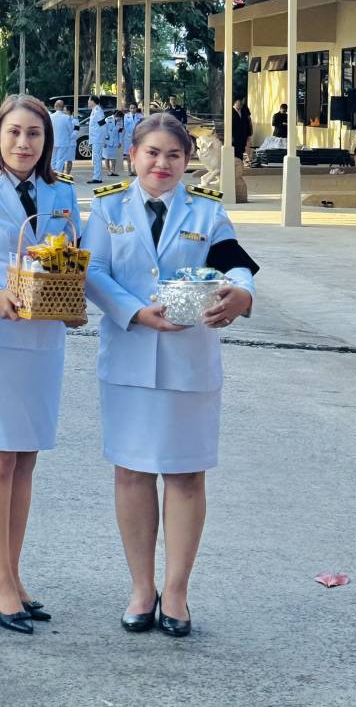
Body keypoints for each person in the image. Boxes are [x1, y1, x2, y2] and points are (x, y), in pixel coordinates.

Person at [81, 112, 258, 638]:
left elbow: (234, 262)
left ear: (187, 161)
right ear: (132, 155)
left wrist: (243, 293)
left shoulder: (206, 209)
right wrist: (134, 311)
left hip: (189, 362)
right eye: (152, 153)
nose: (162, 163)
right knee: (132, 473)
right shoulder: (108, 207)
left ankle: (176, 591)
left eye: (174, 155)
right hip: (130, 358)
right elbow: (92, 271)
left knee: (185, 475)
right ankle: (142, 588)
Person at [0, 94, 82, 634]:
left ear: (47, 141)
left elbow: (72, 256)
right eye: (14, 133)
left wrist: (73, 299)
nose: (24, 143)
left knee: (27, 459)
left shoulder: (63, 191)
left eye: (34, 134)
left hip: (44, 339)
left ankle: (14, 574)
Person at [49, 99, 77, 176]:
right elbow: (71, 130)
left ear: (55, 106)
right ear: (63, 107)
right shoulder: (67, 117)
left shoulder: (50, 117)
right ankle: (57, 176)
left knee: (53, 160)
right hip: (64, 142)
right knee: (60, 160)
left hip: (53, 141)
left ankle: (52, 174)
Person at [87, 95, 108, 184]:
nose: (88, 102)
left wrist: (105, 137)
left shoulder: (98, 111)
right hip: (95, 138)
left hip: (98, 138)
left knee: (97, 158)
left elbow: (103, 125)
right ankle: (96, 176)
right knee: (95, 158)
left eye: (89, 100)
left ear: (93, 101)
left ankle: (97, 178)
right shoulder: (94, 110)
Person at [231, 97, 253, 162]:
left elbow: (247, 121)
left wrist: (249, 132)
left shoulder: (243, 110)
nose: (239, 105)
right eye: (238, 104)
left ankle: (240, 162)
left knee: (241, 149)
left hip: (243, 134)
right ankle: (235, 161)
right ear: (234, 104)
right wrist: (231, 135)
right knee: (235, 149)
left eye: (240, 104)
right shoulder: (231, 111)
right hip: (235, 134)